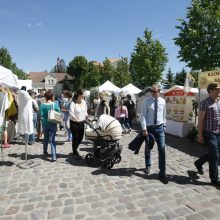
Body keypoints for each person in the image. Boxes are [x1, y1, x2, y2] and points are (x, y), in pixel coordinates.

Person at [194, 83, 220, 187]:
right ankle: (214, 179)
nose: (219, 91)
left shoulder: (219, 102)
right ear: (210, 90)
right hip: (209, 132)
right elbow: (200, 120)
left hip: (218, 132)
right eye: (217, 89)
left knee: (215, 153)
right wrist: (199, 134)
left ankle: (199, 163)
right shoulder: (204, 103)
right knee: (215, 155)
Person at [140, 84, 167, 183]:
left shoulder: (163, 102)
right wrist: (144, 129)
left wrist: (164, 126)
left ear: (159, 91)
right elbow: (143, 115)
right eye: (151, 91)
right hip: (150, 128)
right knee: (148, 148)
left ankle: (162, 172)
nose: (152, 93)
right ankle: (148, 165)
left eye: (155, 91)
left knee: (162, 149)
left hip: (160, 128)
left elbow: (164, 114)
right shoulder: (146, 101)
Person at [40, 91, 60, 162]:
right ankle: (53, 156)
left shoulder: (42, 105)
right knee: (52, 140)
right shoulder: (55, 104)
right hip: (53, 124)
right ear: (51, 97)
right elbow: (59, 112)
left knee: (45, 139)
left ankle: (45, 152)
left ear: (45, 97)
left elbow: (41, 116)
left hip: (45, 124)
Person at [69, 90, 88, 159]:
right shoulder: (73, 103)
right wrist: (76, 120)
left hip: (82, 122)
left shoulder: (84, 102)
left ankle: (75, 149)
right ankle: (74, 152)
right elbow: (71, 113)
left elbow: (85, 111)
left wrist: (86, 116)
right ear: (79, 95)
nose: (84, 95)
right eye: (83, 94)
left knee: (80, 137)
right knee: (75, 138)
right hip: (74, 123)